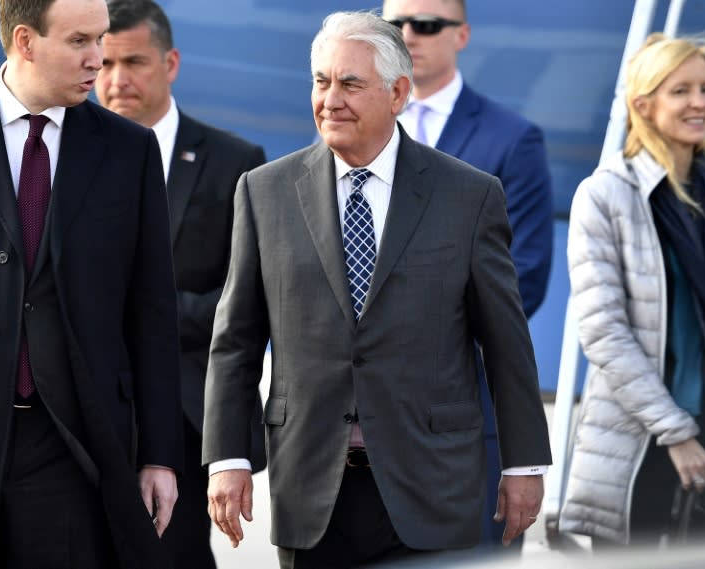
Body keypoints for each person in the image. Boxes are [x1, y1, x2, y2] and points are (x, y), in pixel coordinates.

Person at [203, 10, 551, 569]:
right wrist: (226, 458)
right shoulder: (264, 193)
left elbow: (507, 341)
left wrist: (524, 464)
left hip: (433, 485)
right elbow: (236, 342)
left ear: (398, 94)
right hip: (312, 489)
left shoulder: (468, 196)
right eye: (321, 81)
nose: (331, 99)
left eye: (350, 84)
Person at [0, 0, 184, 567]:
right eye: (80, 41)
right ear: (26, 42)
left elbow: (152, 312)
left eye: (100, 39)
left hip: (70, 446)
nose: (98, 59)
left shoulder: (129, 150)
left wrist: (159, 455)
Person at [95, 1, 267, 567]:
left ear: (170, 63)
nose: (117, 80)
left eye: (134, 62)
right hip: (85, 408)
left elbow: (247, 301)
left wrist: (143, 315)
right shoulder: (64, 152)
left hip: (187, 416)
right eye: (104, 62)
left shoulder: (234, 162)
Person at [381, 0, 554, 549]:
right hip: (362, 419)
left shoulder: (511, 139)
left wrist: (408, 333)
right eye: (395, 24)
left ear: (462, 36)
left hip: (465, 407)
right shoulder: (347, 124)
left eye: (427, 24)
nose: (409, 35)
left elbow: (524, 276)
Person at [560, 33, 705, 547]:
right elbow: (603, 331)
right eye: (680, 91)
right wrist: (675, 433)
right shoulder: (605, 195)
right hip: (636, 436)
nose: (699, 102)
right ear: (643, 105)